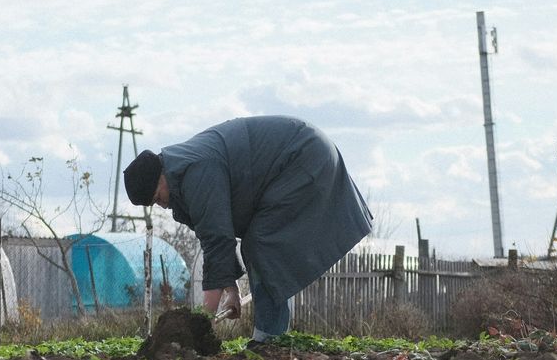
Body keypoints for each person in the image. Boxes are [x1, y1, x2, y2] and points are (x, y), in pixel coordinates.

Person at [122, 115, 373, 344]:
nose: (162, 205)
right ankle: (273, 335)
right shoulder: (181, 181)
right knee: (261, 245)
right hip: (300, 154)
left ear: (161, 177)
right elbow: (214, 236)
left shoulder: (195, 172)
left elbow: (219, 240)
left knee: (262, 244)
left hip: (303, 156)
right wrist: (232, 290)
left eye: (157, 197)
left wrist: (201, 322)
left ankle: (269, 338)